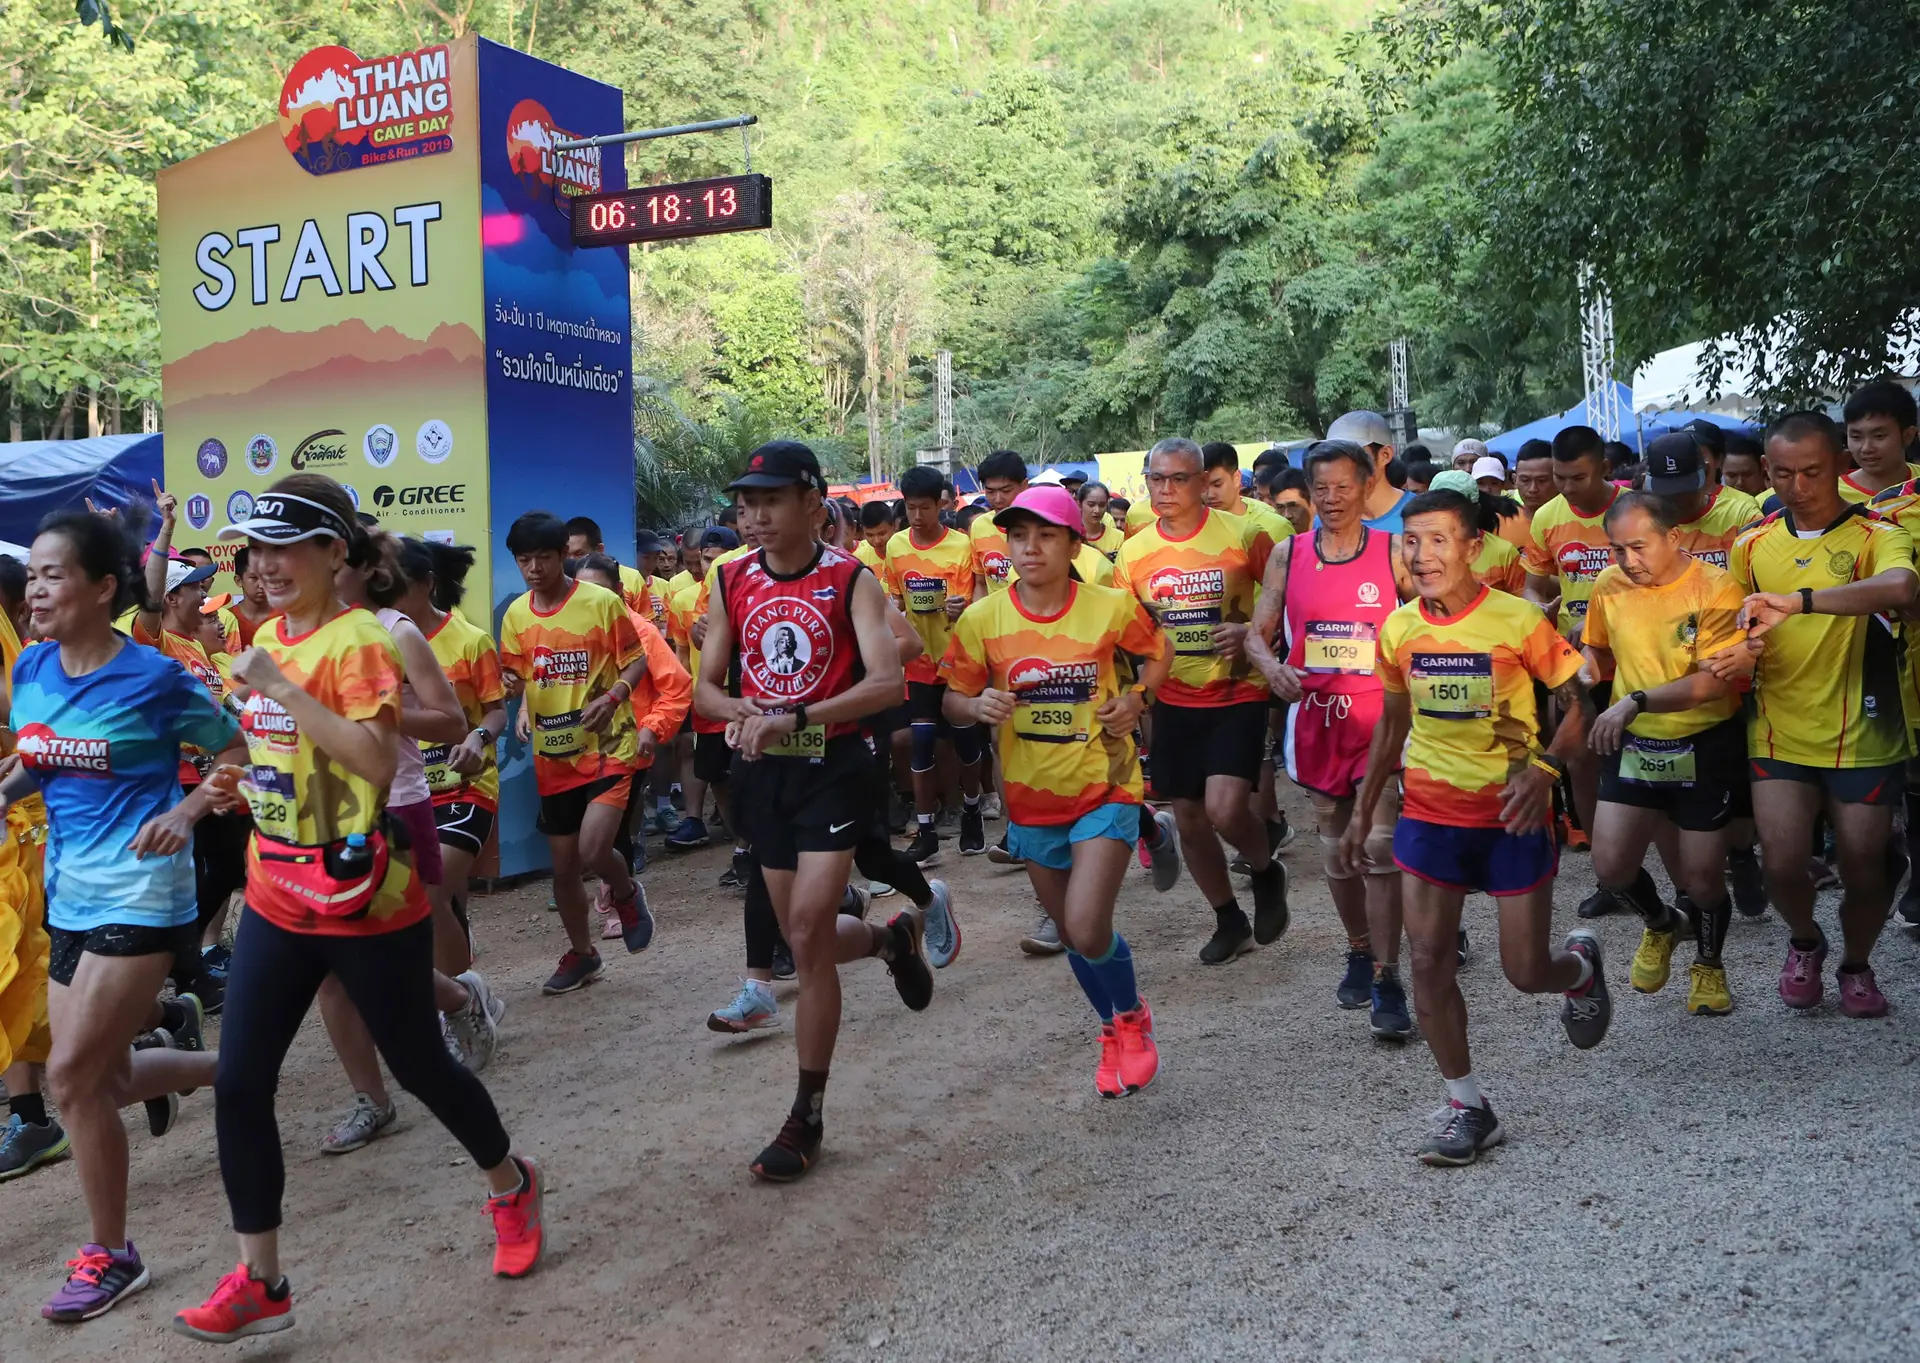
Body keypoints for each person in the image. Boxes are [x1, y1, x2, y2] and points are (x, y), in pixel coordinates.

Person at [171, 478, 542, 1341]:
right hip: (276, 886)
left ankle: (511, 1182)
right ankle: (260, 1279)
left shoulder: (359, 641)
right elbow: (283, 759)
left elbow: (377, 766)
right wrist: (233, 790)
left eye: (286, 546)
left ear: (336, 554)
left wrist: (283, 690)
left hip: (365, 891)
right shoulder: (269, 638)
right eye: (255, 549)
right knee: (238, 1081)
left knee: (421, 1065)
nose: (265, 564)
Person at [6, 511, 238, 1322]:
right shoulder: (32, 669)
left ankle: (113, 1254)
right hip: (68, 893)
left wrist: (190, 808)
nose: (35, 588)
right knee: (104, 1078)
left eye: (53, 574)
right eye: (31, 574)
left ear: (104, 588)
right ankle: (234, 1069)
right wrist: (5, 791)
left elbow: (238, 751)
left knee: (67, 1077)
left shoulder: (156, 677)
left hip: (144, 892)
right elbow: (39, 761)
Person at [1337, 486, 1611, 1167]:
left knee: (1524, 971)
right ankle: (1468, 1105)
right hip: (1429, 814)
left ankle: (1578, 970)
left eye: (1437, 540)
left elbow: (1582, 699)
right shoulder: (1398, 629)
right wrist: (1366, 806)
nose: (1422, 555)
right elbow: (1392, 723)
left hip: (1511, 814)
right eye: (1411, 541)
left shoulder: (1518, 621)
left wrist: (1546, 770)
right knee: (1427, 961)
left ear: (1469, 546)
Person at [694, 440, 932, 1182]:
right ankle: (893, 942)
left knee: (802, 931)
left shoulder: (851, 579)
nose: (755, 515)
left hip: (833, 767)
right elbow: (703, 685)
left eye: (770, 500)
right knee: (812, 940)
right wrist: (737, 710)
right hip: (762, 771)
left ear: (811, 501)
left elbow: (888, 681)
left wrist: (793, 715)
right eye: (746, 502)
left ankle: (807, 1114)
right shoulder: (729, 580)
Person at [941, 486, 1169, 1094]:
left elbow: (1158, 652)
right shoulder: (982, 619)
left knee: (1088, 926)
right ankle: (1110, 1030)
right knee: (1070, 933)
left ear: (1075, 543)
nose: (1031, 548)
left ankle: (1133, 1020)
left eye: (1046, 535)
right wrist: (976, 702)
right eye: (1019, 536)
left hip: (1107, 785)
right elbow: (951, 700)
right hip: (1031, 801)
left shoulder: (1111, 607)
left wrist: (1136, 698)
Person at [1707, 412, 1917, 1016]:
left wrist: (1798, 602)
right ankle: (1805, 941)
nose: (1798, 486)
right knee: (1782, 862)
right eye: (1784, 473)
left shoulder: (1878, 533)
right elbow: (1737, 627)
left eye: (1812, 472)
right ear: (1766, 472)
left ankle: (1856, 963)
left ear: (1839, 468)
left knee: (1863, 867)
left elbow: (1901, 588)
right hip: (1776, 729)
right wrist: (1737, 653)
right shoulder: (1749, 545)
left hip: (1865, 731)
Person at [1247, 440, 1416, 1037]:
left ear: (1368, 487)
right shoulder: (1288, 555)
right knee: (1336, 849)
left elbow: (1434, 617)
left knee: (1379, 847)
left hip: (1379, 720)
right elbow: (1256, 633)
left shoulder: (1395, 551)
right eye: (1322, 488)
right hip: (1315, 718)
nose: (1333, 498)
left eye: (1345, 486)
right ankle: (1358, 946)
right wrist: (1272, 669)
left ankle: (1389, 976)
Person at [1114, 437, 1286, 962]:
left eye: (1178, 479)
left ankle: (1264, 869)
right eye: (1156, 479)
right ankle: (1227, 918)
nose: (1165, 490)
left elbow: (1285, 600)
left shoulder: (1244, 534)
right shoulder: (1134, 552)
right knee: (1188, 817)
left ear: (1201, 480)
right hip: (1172, 696)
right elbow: (1129, 629)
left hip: (1237, 689)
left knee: (1226, 808)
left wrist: (1254, 635)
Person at [1583, 493, 1750, 1015]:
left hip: (1702, 741)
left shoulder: (1717, 587)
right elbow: (1597, 646)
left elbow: (1709, 684)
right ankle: (1661, 923)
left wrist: (1633, 702)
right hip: (1633, 741)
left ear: (1673, 538)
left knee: (1701, 877)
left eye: (1637, 546)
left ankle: (1708, 963)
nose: (1627, 561)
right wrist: (1584, 663)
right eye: (1616, 550)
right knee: (1610, 867)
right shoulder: (1608, 585)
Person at [499, 512, 654, 995]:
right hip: (554, 755)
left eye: (543, 558)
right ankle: (583, 954)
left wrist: (613, 699)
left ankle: (626, 892)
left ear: (563, 555)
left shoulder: (601, 603)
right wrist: (510, 689)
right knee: (563, 867)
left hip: (609, 746)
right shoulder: (516, 616)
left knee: (592, 849)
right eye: (524, 560)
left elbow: (637, 660)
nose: (534, 569)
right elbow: (518, 676)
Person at [130, 491, 249, 1011]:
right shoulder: (152, 640)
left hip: (212, 775)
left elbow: (222, 708)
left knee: (225, 866)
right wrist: (167, 528)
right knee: (193, 873)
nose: (205, 597)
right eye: (197, 590)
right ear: (173, 599)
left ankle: (187, 962)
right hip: (173, 777)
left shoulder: (201, 649)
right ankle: (189, 972)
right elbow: (149, 599)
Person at [390, 537, 509, 1023]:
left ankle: (463, 1004)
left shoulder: (469, 640)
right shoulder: (377, 641)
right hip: (407, 792)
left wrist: (478, 738)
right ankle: (459, 997)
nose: (390, 597)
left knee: (429, 893)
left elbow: (498, 711)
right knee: (428, 902)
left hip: (467, 788)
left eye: (400, 587)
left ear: (428, 585)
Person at [1522, 425, 1621, 911]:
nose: (1565, 487)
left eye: (1576, 477)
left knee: (1648, 758)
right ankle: (1609, 876)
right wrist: (1536, 609)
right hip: (1574, 665)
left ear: (1604, 468)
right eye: (1559, 477)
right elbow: (1534, 585)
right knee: (1580, 759)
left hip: (1637, 659)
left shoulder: (1634, 509)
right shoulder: (1546, 518)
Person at [570, 552, 691, 939]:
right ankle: (615, 892)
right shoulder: (565, 629)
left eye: (602, 591)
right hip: (571, 750)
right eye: (584, 592)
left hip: (624, 749)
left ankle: (618, 899)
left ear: (620, 592)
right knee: (579, 836)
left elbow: (676, 686)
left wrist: (651, 728)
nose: (594, 601)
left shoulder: (640, 630)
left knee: (613, 833)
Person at [886, 466, 986, 862]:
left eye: (924, 508)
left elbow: (969, 600)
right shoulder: (896, 546)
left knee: (965, 741)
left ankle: (973, 811)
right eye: (910, 508)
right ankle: (926, 830)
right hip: (920, 662)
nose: (917, 516)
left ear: (941, 505)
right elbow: (896, 599)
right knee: (921, 742)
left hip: (957, 659)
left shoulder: (961, 546)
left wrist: (961, 607)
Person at [667, 528, 741, 850]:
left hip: (742, 698)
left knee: (746, 767)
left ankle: (747, 841)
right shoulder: (683, 600)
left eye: (717, 560)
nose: (711, 567)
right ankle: (735, 833)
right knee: (716, 773)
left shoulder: (743, 592)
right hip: (707, 703)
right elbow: (681, 653)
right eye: (706, 560)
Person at [1324, 410, 1414, 531]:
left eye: (1353, 455)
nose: (1342, 467)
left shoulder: (1421, 515)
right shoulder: (1327, 520)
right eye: (1334, 457)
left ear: (1385, 455)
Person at [1839, 379, 1920, 502]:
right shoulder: (1831, 497)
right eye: (1856, 437)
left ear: (1908, 436)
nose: (1866, 448)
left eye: (1879, 436)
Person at [1200, 443, 1295, 547]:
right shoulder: (1191, 528)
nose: (1210, 495)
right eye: (1202, 486)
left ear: (1236, 478)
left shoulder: (1275, 527)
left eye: (1217, 485)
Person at [563, 515, 651, 618]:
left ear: (599, 549)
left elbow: (646, 623)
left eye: (579, 554)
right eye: (566, 555)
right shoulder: (557, 581)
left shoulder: (632, 579)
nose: (571, 560)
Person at [969, 450, 1028, 596]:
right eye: (990, 491)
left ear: (1024, 486)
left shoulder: (1043, 526)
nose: (997, 499)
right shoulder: (979, 527)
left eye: (1006, 490)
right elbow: (980, 583)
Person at [1076, 480, 1126, 561]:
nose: (1097, 510)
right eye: (1091, 505)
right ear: (1079, 504)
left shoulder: (1119, 538)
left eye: (1102, 505)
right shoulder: (1070, 536)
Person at [1511, 438, 1557, 518]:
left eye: (1541, 481)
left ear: (1558, 480)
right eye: (1525, 480)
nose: (1533, 489)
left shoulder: (1576, 521)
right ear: (1515, 480)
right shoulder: (1500, 524)